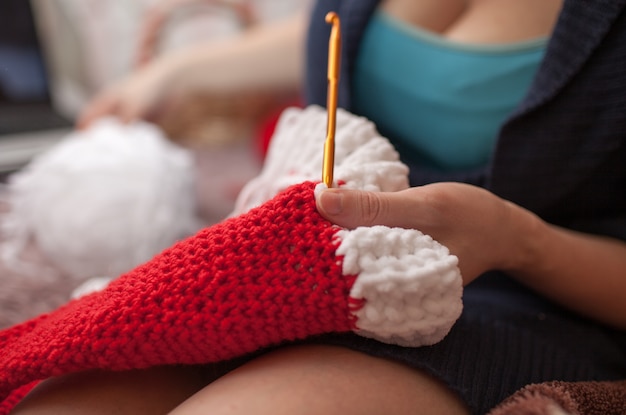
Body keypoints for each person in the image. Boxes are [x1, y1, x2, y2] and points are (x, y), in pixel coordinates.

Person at [8, 0, 626, 414]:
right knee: (63, 399)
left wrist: (517, 239)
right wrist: (181, 70)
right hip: (310, 266)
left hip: (519, 301)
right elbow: (352, 33)